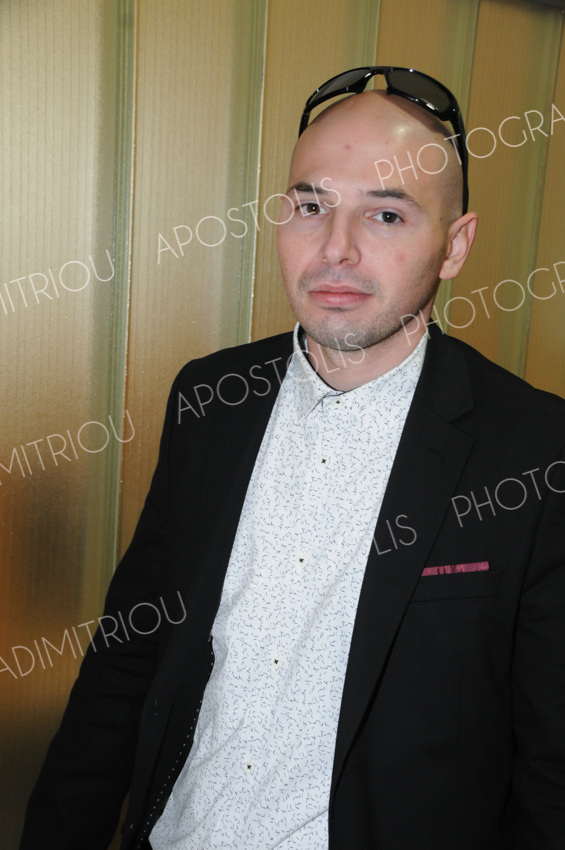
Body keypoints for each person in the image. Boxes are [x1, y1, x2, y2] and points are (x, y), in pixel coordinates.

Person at [20, 67, 565, 850]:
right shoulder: (211, 400)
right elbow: (128, 656)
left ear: (454, 246)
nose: (335, 249)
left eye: (385, 214)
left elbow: (550, 768)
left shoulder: (535, 450)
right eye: (310, 207)